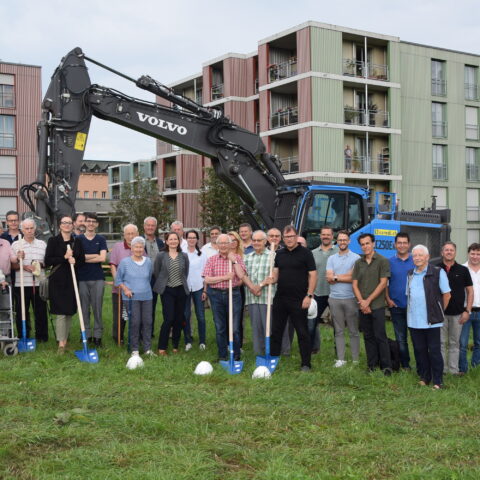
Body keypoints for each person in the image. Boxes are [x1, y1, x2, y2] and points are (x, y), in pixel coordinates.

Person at [269, 226, 317, 371]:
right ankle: (273, 359)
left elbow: (313, 275)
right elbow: (276, 275)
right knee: (276, 330)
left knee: (302, 332)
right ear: (283, 238)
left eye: (291, 237)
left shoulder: (306, 253)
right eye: (286, 237)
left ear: (296, 237)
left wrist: (309, 295)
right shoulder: (279, 254)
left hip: (299, 299)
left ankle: (306, 364)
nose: (289, 240)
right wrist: (269, 279)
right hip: (281, 298)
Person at [407, 245, 451, 389]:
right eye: (415, 255)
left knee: (434, 351)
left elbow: (447, 295)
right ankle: (424, 377)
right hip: (414, 321)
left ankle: (438, 381)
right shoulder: (410, 274)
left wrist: (438, 311)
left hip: (432, 321)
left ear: (427, 257)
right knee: (419, 350)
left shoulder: (438, 272)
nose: (417, 258)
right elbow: (409, 296)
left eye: (420, 255)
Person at [352, 233, 392, 375]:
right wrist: (362, 303)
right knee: (368, 336)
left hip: (377, 306)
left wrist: (368, 301)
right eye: (362, 244)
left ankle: (386, 367)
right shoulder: (358, 263)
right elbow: (355, 284)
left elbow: (383, 284)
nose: (365, 246)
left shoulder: (382, 261)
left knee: (380, 336)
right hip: (363, 307)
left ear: (373, 244)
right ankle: (372, 365)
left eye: (367, 243)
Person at [44, 215, 85, 353]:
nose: (67, 225)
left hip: (72, 280)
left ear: (72, 225)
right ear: (60, 225)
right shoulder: (53, 241)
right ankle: (61, 344)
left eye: (69, 223)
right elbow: (48, 260)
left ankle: (65, 339)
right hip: (58, 281)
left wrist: (75, 261)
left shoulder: (77, 242)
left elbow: (82, 260)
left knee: (69, 312)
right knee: (61, 312)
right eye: (64, 223)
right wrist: (64, 258)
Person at [203, 234, 246, 361]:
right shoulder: (212, 259)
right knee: (220, 327)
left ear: (229, 244)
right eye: (220, 243)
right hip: (216, 295)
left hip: (233, 294)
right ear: (217, 245)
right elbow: (207, 279)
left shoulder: (237, 258)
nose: (223, 245)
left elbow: (241, 275)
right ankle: (222, 355)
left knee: (235, 327)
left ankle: (236, 355)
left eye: (225, 243)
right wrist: (224, 277)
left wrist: (234, 261)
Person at [115, 236, 154, 357]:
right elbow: (118, 279)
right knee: (135, 322)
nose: (138, 249)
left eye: (141, 247)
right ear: (131, 248)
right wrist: (126, 289)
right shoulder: (125, 262)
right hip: (131, 297)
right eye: (136, 246)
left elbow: (149, 278)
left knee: (147, 322)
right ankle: (135, 349)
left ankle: (147, 349)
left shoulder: (148, 262)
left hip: (147, 296)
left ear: (143, 248)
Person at [326, 230, 360, 366]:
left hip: (351, 298)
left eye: (345, 240)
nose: (342, 242)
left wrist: (336, 277)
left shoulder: (356, 258)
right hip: (334, 298)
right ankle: (340, 359)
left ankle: (355, 359)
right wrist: (343, 277)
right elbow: (329, 278)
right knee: (338, 330)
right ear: (337, 241)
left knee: (353, 330)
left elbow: (353, 278)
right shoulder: (331, 258)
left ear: (349, 241)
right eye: (340, 240)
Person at [438, 241, 473, 375]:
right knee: (440, 343)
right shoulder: (436, 269)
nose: (449, 252)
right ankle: (442, 370)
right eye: (446, 250)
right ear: (442, 252)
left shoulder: (463, 270)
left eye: (451, 250)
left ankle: (453, 370)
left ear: (455, 252)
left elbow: (470, 291)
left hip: (458, 314)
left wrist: (467, 311)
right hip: (440, 314)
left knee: (454, 343)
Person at [11, 219, 48, 342]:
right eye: (26, 228)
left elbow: (47, 263)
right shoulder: (16, 245)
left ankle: (42, 337)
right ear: (22, 230)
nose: (29, 230)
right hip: (21, 284)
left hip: (39, 283)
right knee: (22, 311)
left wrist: (38, 265)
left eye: (31, 228)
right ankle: (23, 336)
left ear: (35, 228)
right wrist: (21, 263)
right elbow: (13, 266)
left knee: (40, 311)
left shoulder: (42, 244)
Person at [153, 232, 189, 356]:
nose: (173, 241)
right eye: (170, 239)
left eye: (175, 239)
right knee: (169, 319)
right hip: (167, 290)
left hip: (181, 290)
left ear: (178, 241)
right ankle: (162, 347)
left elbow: (185, 273)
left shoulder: (183, 256)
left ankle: (175, 345)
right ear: (166, 241)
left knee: (179, 319)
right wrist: (164, 284)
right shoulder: (161, 256)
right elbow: (157, 273)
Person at [76, 213, 107, 347]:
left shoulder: (101, 239)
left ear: (97, 224)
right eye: (88, 221)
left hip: (97, 278)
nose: (91, 223)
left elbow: (102, 258)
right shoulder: (79, 239)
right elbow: (77, 258)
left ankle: (98, 337)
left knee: (97, 308)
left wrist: (85, 257)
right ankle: (86, 335)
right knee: (84, 309)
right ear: (85, 223)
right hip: (82, 278)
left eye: (93, 221)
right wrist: (94, 255)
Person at [243, 230, 276, 355]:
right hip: (252, 297)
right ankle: (258, 352)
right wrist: (253, 288)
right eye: (254, 240)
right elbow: (244, 275)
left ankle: (271, 351)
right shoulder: (248, 257)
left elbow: (273, 276)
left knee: (268, 326)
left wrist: (260, 286)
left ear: (265, 241)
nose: (256, 243)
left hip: (267, 297)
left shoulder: (272, 256)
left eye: (259, 240)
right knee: (255, 326)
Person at [385, 232, 415, 370]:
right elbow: (385, 283)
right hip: (396, 306)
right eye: (399, 243)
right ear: (395, 245)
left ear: (409, 245)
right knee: (401, 338)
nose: (402, 245)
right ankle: (405, 365)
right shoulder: (389, 262)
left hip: (414, 307)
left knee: (417, 339)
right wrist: (388, 299)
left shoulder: (416, 261)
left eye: (405, 243)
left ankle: (421, 364)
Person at [110, 224, 139, 344]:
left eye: (133, 233)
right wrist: (119, 282)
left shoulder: (140, 247)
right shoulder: (118, 247)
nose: (131, 236)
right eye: (128, 233)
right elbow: (113, 266)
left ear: (137, 234)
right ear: (124, 235)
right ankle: (118, 337)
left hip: (136, 289)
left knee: (135, 315)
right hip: (120, 289)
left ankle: (135, 339)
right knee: (120, 315)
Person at [311, 226, 338, 353]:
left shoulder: (339, 252)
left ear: (332, 236)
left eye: (328, 234)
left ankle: (339, 349)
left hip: (335, 294)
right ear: (320, 236)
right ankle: (313, 348)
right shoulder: (313, 253)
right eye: (323, 234)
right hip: (318, 292)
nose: (326, 236)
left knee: (337, 324)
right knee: (312, 321)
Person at [184, 230, 207, 351]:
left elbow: (206, 273)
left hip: (199, 287)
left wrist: (205, 290)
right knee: (186, 315)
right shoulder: (182, 253)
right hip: (186, 288)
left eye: (194, 237)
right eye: (189, 237)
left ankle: (202, 341)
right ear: (186, 239)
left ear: (197, 239)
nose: (192, 239)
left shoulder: (202, 254)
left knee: (201, 316)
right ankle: (188, 341)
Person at [459, 243, 480, 374]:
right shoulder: (462, 269)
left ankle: (475, 366)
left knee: (479, 342)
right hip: (466, 311)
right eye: (473, 253)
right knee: (463, 343)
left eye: (478, 254)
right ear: (468, 254)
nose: (475, 256)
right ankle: (462, 369)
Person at [143, 216, 165, 338]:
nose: (150, 227)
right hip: (145, 279)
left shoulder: (161, 242)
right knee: (148, 306)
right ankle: (147, 332)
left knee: (163, 305)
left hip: (159, 279)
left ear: (155, 227)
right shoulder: (139, 240)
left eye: (152, 225)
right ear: (144, 226)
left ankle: (163, 332)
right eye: (148, 225)